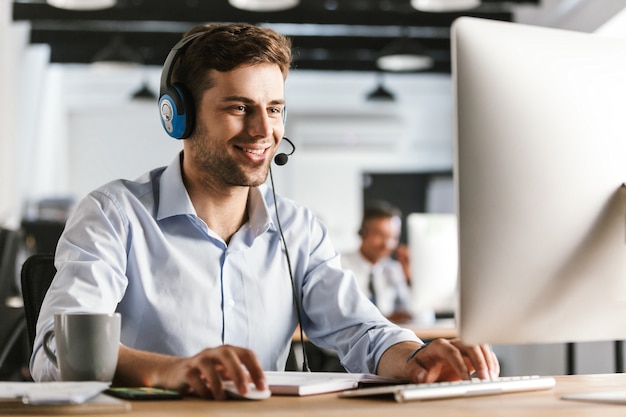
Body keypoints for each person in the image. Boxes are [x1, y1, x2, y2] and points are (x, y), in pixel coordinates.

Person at [30, 22, 499, 400]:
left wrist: (417, 357)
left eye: (274, 109)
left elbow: (360, 330)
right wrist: (176, 372)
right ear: (180, 116)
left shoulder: (298, 228)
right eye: (239, 107)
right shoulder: (114, 215)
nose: (263, 131)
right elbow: (56, 353)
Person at [341, 201, 413, 324]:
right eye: (380, 235)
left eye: (393, 237)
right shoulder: (340, 266)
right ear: (362, 233)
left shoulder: (394, 269)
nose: (387, 244)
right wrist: (386, 319)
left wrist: (409, 276)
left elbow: (422, 317)